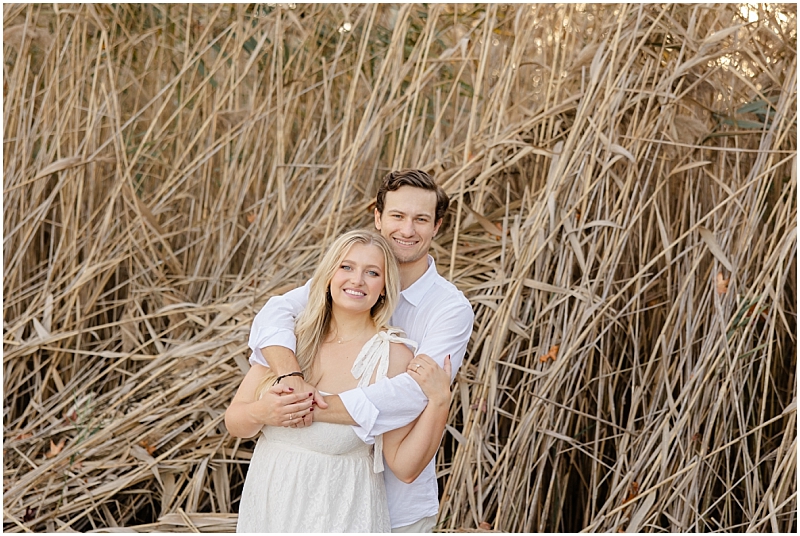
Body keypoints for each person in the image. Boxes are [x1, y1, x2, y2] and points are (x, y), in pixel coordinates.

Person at [231, 169, 474, 532]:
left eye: (420, 219)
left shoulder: (446, 311)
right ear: (378, 217)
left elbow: (409, 395)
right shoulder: (323, 308)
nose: (407, 230)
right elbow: (275, 314)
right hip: (275, 502)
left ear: (436, 226)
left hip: (386, 506)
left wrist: (303, 405)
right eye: (397, 216)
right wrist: (290, 380)